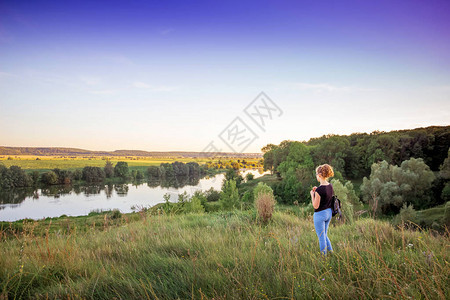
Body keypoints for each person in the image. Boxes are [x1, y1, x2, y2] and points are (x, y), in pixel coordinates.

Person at [310, 164, 334, 254]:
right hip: (328, 213)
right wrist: (316, 192)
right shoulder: (330, 186)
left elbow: (315, 206)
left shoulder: (319, 190)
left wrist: (313, 195)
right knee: (324, 235)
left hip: (320, 215)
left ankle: (323, 257)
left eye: (316, 174)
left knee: (321, 237)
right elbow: (326, 196)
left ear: (319, 175)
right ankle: (331, 252)